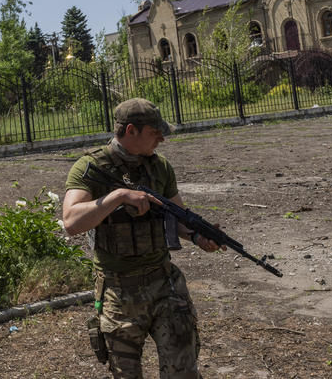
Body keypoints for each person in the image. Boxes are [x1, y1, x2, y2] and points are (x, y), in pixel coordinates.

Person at [63, 98, 222, 379]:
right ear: (131, 130)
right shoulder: (90, 166)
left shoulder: (160, 167)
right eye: (154, 132)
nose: (161, 138)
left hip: (164, 284)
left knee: (183, 372)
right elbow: (72, 222)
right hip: (118, 291)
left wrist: (198, 236)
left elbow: (177, 216)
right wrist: (118, 196)